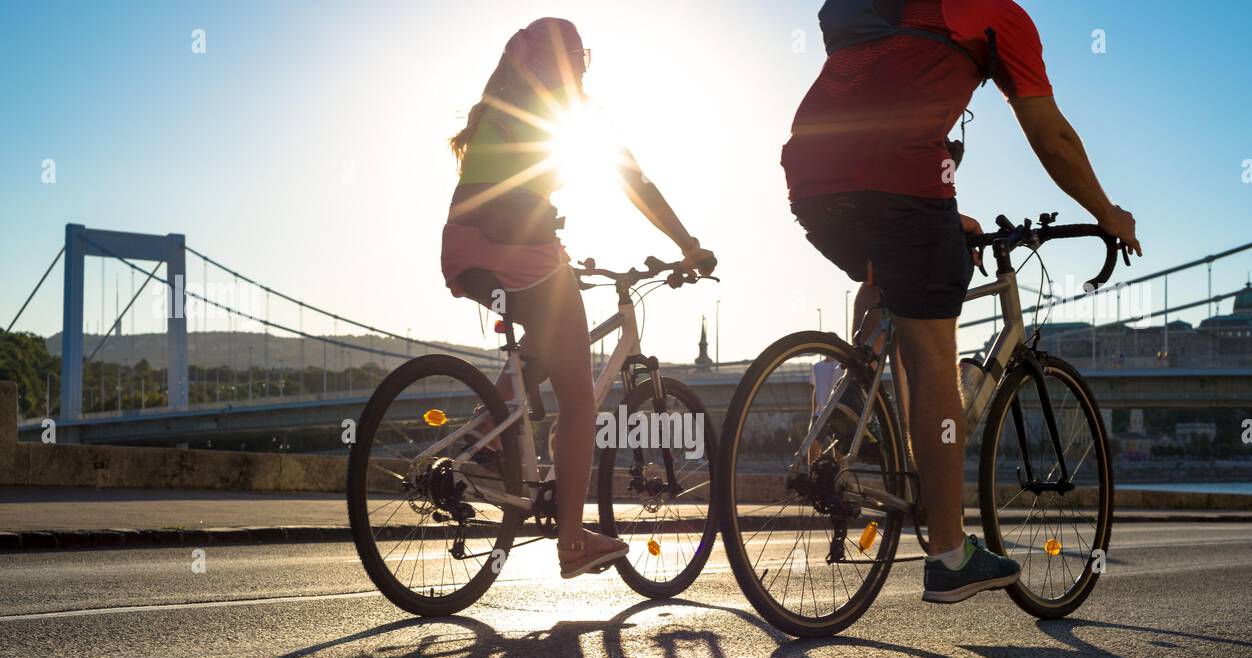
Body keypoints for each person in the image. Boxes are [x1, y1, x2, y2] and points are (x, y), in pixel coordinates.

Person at [781, 0, 1141, 604]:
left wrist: (946, 215)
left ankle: (854, 408)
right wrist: (1107, 213)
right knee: (933, 360)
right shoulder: (1000, 14)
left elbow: (879, 100)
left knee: (891, 270)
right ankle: (949, 552)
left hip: (810, 175)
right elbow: (1049, 133)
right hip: (899, 181)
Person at [442, 18, 714, 579]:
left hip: (464, 249)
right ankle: (571, 541)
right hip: (522, 252)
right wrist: (688, 245)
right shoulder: (576, 113)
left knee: (546, 347)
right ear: (572, 62)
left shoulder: (497, 106)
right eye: (579, 59)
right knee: (580, 401)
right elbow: (634, 182)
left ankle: (481, 436)